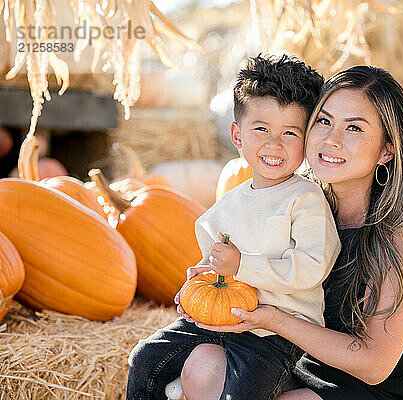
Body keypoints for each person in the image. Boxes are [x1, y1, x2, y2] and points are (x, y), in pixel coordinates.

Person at [185, 65, 403, 400]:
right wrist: (210, 279)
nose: (331, 139)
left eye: (353, 127)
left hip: (382, 389)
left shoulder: (397, 238)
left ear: (387, 150)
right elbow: (253, 271)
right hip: (303, 368)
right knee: (203, 366)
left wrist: (275, 321)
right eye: (324, 121)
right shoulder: (297, 206)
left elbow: (375, 364)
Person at [125, 54, 341, 400]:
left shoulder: (305, 199)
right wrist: (199, 283)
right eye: (261, 129)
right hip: (222, 320)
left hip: (274, 336)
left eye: (290, 132)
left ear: (307, 140)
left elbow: (312, 268)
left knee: (241, 394)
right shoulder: (225, 206)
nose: (274, 143)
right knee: (145, 359)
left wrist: (242, 265)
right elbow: (216, 268)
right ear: (237, 135)